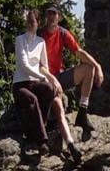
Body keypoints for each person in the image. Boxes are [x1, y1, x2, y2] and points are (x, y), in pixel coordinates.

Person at [13, 9, 82, 163]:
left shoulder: (40, 42)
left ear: (38, 23)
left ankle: (38, 127)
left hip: (36, 82)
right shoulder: (20, 40)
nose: (31, 24)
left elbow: (44, 65)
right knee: (32, 99)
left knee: (50, 90)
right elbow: (24, 65)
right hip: (21, 84)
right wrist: (44, 77)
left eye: (33, 21)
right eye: (29, 22)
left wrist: (51, 79)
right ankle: (42, 141)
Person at [39, 6, 104, 140]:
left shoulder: (63, 33)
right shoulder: (39, 35)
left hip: (59, 77)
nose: (51, 17)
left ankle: (82, 112)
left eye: (54, 14)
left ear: (59, 17)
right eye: (49, 14)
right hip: (43, 78)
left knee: (88, 68)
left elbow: (79, 52)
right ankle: (49, 123)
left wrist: (97, 66)